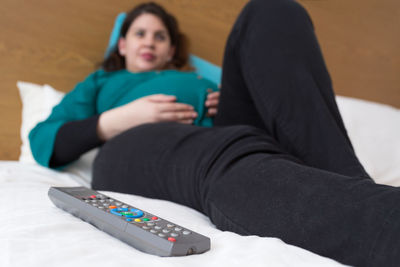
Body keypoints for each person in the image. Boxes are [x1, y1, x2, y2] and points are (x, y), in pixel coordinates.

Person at [29, 1, 400, 266]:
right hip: (139, 143)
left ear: (171, 49)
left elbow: (274, 89)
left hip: (227, 131)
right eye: (139, 33)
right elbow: (43, 138)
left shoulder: (198, 79)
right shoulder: (103, 82)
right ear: (122, 44)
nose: (149, 41)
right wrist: (116, 119)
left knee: (271, 11)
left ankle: (351, 181)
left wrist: (234, 96)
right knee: (230, 153)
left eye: (160, 36)